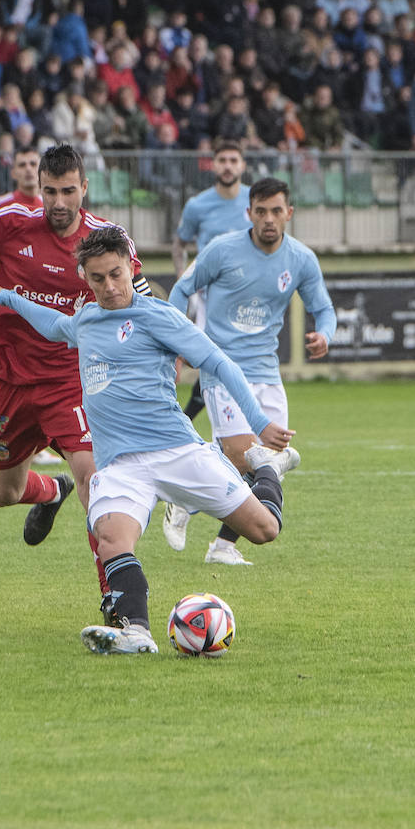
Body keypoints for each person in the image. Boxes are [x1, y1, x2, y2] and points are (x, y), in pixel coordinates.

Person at [0, 226, 296, 652]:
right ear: (84, 278)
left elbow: (217, 361)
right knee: (112, 539)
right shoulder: (87, 319)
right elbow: (56, 325)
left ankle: (269, 467)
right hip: (121, 466)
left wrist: (258, 423)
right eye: (97, 279)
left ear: (131, 268)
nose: (109, 287)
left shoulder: (158, 316)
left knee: (264, 529)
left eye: (116, 274)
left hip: (178, 452)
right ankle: (136, 632)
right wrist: (8, 297)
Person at [0, 143, 153, 610]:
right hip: (11, 381)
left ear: (84, 188)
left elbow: (141, 295)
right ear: (39, 188)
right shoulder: (10, 223)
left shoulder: (105, 238)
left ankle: (115, 597)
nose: (58, 202)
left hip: (71, 380)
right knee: (4, 492)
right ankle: (51, 492)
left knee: (94, 478)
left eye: (68, 191)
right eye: (50, 191)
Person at [168, 177, 336, 566]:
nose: (269, 219)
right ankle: (189, 495)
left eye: (277, 211)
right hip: (219, 367)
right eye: (260, 211)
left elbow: (324, 309)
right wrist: (177, 341)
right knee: (246, 458)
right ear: (249, 214)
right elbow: (182, 288)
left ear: (289, 213)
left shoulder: (301, 259)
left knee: (270, 463)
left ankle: (222, 543)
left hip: (266, 370)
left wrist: (325, 334)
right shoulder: (222, 250)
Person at [162, 140, 251, 552]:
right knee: (215, 371)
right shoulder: (199, 205)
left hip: (246, 302)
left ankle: (182, 429)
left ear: (242, 164)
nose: (228, 166)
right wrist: (187, 283)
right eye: (222, 160)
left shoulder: (256, 201)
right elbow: (179, 243)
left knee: (228, 387)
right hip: (209, 299)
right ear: (213, 164)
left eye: (234, 160)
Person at [0, 146, 62, 468]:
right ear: (14, 171)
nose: (28, 169)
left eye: (33, 163)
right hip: (8, 311)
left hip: (43, 312)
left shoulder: (54, 208)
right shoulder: (1, 206)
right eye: (22, 164)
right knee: (12, 376)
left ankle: (30, 440)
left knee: (43, 374)